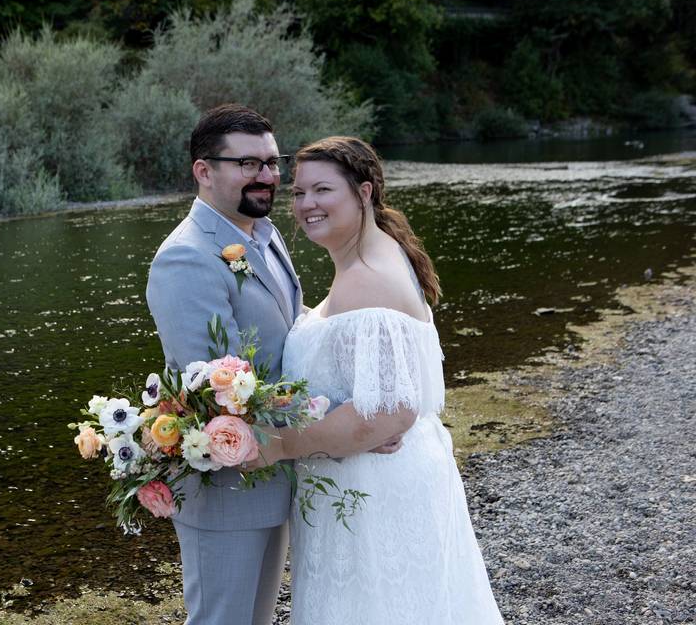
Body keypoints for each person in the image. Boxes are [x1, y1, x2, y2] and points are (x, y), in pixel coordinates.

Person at [252, 136, 504, 624]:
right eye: (299, 193)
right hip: (362, 484)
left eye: (322, 190)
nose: (306, 205)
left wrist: (279, 446)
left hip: (375, 493)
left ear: (364, 192)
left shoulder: (368, 275)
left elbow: (391, 412)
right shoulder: (368, 259)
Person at [145, 104, 303, 625]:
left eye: (273, 162)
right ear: (204, 171)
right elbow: (221, 388)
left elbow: (292, 331)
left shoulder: (263, 234)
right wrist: (336, 423)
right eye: (249, 164)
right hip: (225, 491)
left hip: (272, 473)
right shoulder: (186, 257)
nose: (267, 176)